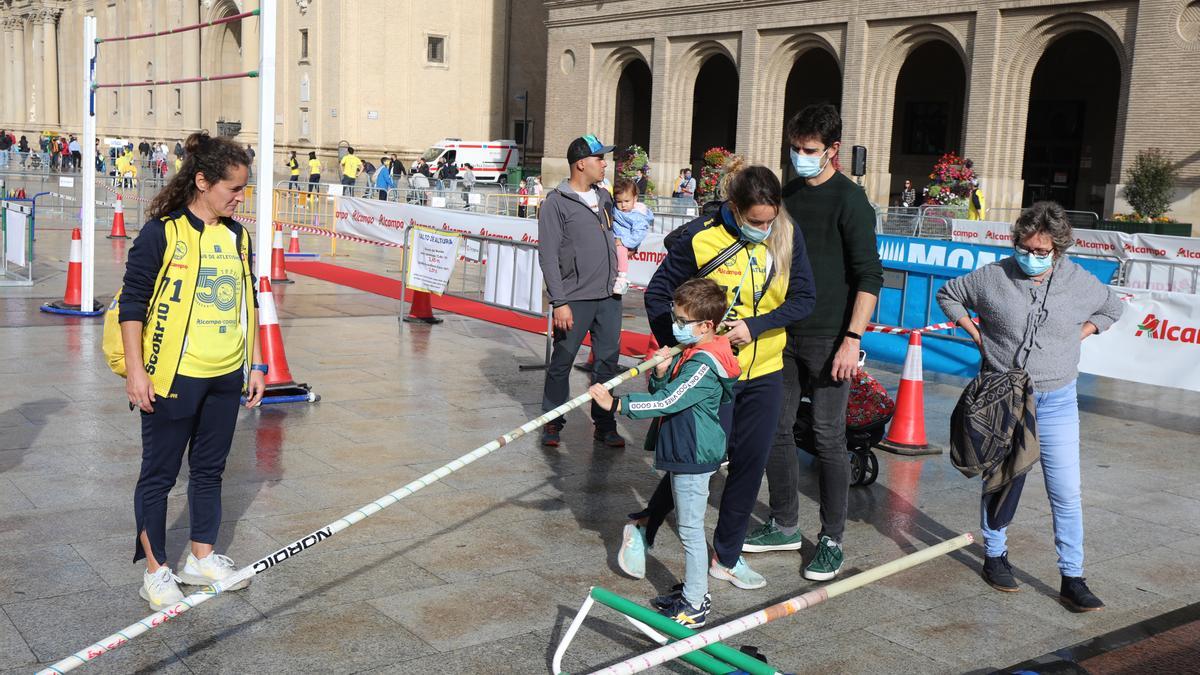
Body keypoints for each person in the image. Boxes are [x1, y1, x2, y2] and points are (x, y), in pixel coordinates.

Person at [622, 161, 817, 591]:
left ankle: (726, 556)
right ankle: (643, 526)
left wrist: (758, 326)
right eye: (755, 221)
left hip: (765, 368)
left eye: (771, 219)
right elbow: (658, 295)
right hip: (712, 373)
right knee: (699, 462)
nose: (764, 228)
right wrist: (682, 352)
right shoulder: (700, 237)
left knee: (749, 463)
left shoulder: (787, 233)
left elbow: (804, 298)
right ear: (734, 207)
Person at [936, 201, 1123, 612]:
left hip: (1057, 401)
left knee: (1066, 492)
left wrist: (1084, 331)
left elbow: (1113, 307)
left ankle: (1073, 576)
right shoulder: (994, 276)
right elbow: (949, 294)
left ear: (1058, 248)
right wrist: (976, 334)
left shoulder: (1078, 281)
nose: (1031, 257)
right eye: (1024, 247)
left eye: (1041, 251)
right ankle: (995, 554)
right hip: (1006, 398)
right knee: (1004, 479)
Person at [119, 132, 265, 611]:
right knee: (159, 474)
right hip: (172, 376)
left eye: (243, 190)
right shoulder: (162, 232)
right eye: (234, 190)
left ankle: (200, 559)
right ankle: (155, 571)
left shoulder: (238, 236)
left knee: (209, 470)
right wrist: (137, 372)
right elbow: (132, 306)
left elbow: (251, 301)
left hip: (225, 376)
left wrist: (256, 363)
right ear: (202, 181)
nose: (240, 199)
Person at [745, 103, 884, 582]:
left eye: (809, 151)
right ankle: (784, 522)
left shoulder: (851, 201)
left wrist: (852, 339)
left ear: (833, 151)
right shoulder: (787, 196)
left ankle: (831, 538)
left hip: (830, 338)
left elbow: (869, 276)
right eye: (794, 149)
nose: (800, 157)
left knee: (828, 436)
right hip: (782, 332)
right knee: (775, 430)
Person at [590, 278, 740, 627]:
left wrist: (616, 404)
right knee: (689, 527)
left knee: (689, 530)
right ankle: (693, 592)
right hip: (684, 448)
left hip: (693, 453)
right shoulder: (694, 352)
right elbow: (667, 389)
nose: (676, 326)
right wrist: (659, 371)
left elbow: (669, 400)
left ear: (706, 326)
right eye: (675, 317)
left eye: (682, 321)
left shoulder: (703, 362)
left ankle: (696, 605)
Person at [537, 134, 626, 449]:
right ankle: (552, 421)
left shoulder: (603, 197)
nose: (605, 164)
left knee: (607, 363)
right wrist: (558, 301)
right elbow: (547, 255)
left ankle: (604, 424)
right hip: (574, 299)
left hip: (608, 297)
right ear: (581, 163)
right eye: (600, 158)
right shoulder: (556, 204)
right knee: (563, 360)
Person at [610, 177, 653, 294]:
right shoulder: (616, 208)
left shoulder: (638, 216)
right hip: (614, 237)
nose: (623, 205)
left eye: (626, 201)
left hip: (624, 240)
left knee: (621, 251)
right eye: (619, 201)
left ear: (635, 199)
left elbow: (639, 233)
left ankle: (622, 277)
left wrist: (624, 241)